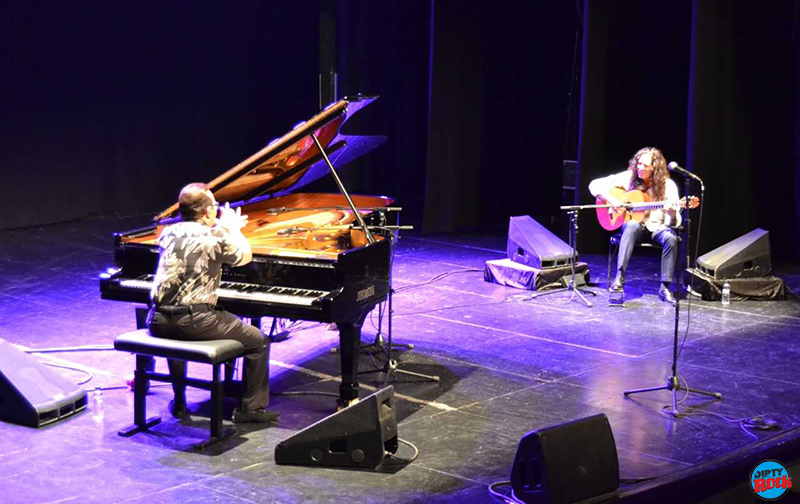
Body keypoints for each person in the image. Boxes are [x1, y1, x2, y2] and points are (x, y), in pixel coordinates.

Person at [146, 182, 279, 423]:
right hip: (196, 321)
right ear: (208, 212)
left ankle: (179, 401)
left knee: (186, 330)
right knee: (258, 341)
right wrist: (232, 229)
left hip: (158, 320)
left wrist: (218, 223)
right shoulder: (216, 237)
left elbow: (194, 238)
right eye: (215, 208)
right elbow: (244, 257)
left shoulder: (167, 233)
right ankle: (250, 410)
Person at [589, 147, 680, 304]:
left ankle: (665, 287)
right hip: (636, 228)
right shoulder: (628, 178)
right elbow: (594, 185)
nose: (640, 168)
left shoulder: (668, 186)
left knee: (671, 238)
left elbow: (675, 222)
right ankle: (619, 278)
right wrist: (612, 200)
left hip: (657, 229)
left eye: (645, 165)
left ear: (655, 167)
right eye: (638, 164)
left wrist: (671, 213)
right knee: (631, 224)